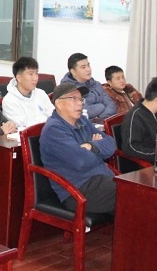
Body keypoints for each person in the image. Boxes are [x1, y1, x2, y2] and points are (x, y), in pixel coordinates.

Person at [39, 82, 117, 215]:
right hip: (78, 190)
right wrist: (98, 151)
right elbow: (81, 161)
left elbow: (111, 144)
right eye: (73, 99)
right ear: (58, 103)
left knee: (138, 191)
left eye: (81, 99)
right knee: (133, 193)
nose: (80, 103)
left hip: (101, 179)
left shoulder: (83, 121)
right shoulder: (54, 129)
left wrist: (91, 146)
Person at [60, 53, 116, 119]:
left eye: (88, 65)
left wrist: (99, 118)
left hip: (101, 122)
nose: (88, 69)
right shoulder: (67, 89)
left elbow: (111, 105)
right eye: (83, 67)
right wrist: (102, 106)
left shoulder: (96, 84)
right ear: (73, 72)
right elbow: (84, 112)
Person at [1, 56, 53, 128]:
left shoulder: (41, 94)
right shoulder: (9, 101)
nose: (35, 78)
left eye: (36, 73)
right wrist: (44, 119)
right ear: (19, 78)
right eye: (30, 74)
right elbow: (23, 126)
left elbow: (53, 116)